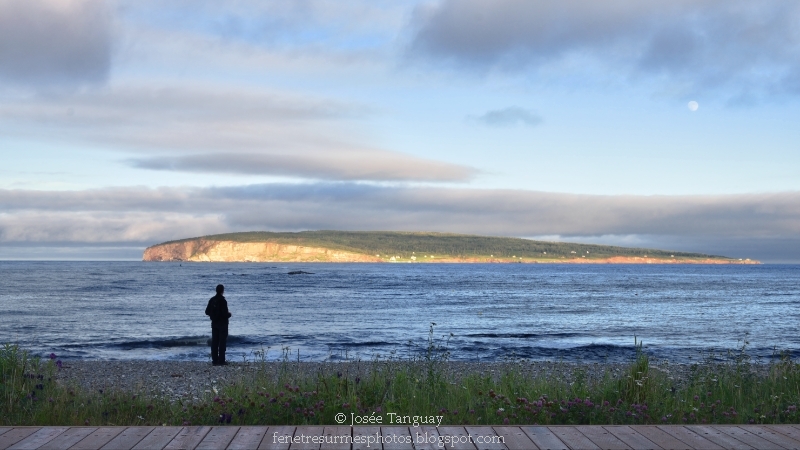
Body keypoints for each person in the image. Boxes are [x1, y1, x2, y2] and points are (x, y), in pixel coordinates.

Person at [205, 284, 232, 366]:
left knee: (215, 342)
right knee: (222, 342)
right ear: (222, 291)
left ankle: (214, 360)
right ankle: (221, 360)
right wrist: (229, 314)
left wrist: (213, 315)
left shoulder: (212, 300)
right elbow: (224, 314)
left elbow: (207, 312)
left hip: (214, 323)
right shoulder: (223, 301)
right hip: (222, 324)